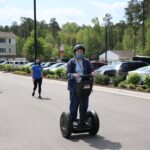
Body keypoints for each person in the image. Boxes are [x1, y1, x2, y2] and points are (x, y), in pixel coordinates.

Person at [67, 44, 95, 126]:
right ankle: (73, 120)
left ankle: (83, 120)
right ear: (75, 52)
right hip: (74, 86)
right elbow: (68, 74)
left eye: (81, 52)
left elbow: (91, 70)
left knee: (84, 104)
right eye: (78, 52)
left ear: (83, 52)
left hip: (84, 86)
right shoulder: (71, 62)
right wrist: (73, 75)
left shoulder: (86, 61)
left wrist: (93, 73)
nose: (79, 53)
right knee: (74, 104)